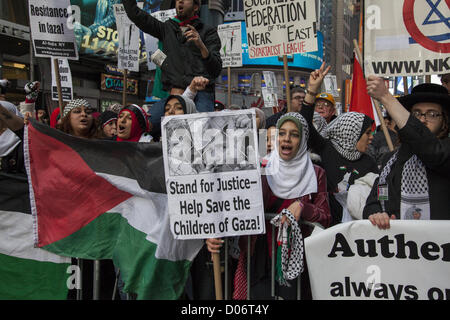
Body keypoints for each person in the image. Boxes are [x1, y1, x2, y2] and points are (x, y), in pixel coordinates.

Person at [207, 112, 331, 300]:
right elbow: (234, 206)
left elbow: (325, 218)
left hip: (296, 261)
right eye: (282, 133)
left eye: (294, 134)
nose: (286, 139)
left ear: (303, 139)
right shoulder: (259, 168)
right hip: (258, 255)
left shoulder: (316, 173)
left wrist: (303, 208)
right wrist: (217, 232)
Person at [363, 77, 450, 228]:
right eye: (416, 114)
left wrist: (386, 97)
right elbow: (377, 199)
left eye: (432, 114)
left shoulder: (445, 151)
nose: (422, 120)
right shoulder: (391, 160)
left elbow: (429, 149)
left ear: (444, 120)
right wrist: (376, 212)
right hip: (400, 246)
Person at [300, 63, 379, 225]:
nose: (371, 138)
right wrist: (312, 91)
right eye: (367, 133)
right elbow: (305, 126)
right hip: (327, 228)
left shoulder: (369, 162)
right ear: (352, 133)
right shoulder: (325, 149)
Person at [122, 0, 222, 113]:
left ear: (196, 7)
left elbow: (216, 69)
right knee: (147, 124)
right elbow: (137, 16)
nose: (180, 1)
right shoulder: (166, 29)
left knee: (200, 126)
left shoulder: (209, 32)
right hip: (175, 95)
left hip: (201, 94)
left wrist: (201, 45)